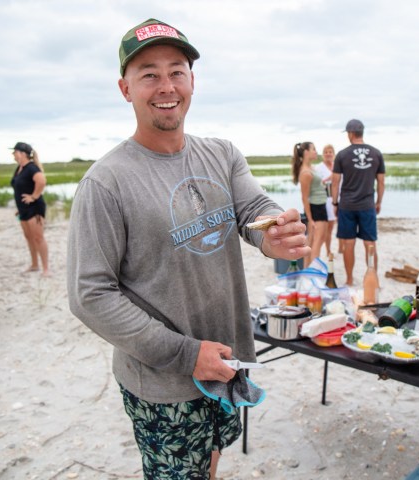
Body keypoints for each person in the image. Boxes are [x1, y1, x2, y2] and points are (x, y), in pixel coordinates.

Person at [66, 18, 309, 479]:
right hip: (164, 381)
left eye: (177, 70)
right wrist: (183, 353)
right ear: (125, 88)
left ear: (192, 80)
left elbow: (251, 207)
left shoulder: (221, 152)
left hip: (226, 359)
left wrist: (272, 233)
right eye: (149, 74)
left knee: (213, 456)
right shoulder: (106, 182)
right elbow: (90, 294)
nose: (166, 86)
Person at [330, 119, 385, 286]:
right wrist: (378, 202)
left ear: (351, 134)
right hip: (367, 204)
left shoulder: (342, 154)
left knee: (348, 243)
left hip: (347, 205)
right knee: (370, 243)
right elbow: (381, 182)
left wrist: (334, 203)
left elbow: (335, 181)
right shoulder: (376, 153)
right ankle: (373, 279)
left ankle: (349, 279)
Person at [11, 142, 49, 277]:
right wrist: (19, 207)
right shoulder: (19, 168)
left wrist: (34, 197)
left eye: (14, 152)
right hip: (23, 209)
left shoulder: (31, 168)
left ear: (22, 153)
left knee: (38, 237)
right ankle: (34, 264)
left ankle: (46, 269)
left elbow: (41, 181)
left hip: (34, 208)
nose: (13, 155)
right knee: (29, 237)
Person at [292, 141, 328, 267]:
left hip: (320, 207)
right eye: (313, 149)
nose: (316, 152)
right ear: (306, 152)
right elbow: (304, 198)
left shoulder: (311, 168)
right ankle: (312, 274)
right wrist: (310, 219)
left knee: (313, 242)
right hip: (316, 209)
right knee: (316, 243)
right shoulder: (305, 173)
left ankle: (306, 271)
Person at [315, 144, 337, 257]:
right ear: (323, 155)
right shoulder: (319, 168)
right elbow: (316, 184)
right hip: (325, 200)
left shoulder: (337, 166)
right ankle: (327, 250)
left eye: (330, 152)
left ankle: (337, 248)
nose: (328, 154)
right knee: (326, 228)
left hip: (337, 199)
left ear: (334, 154)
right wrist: (329, 178)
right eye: (326, 152)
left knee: (333, 226)